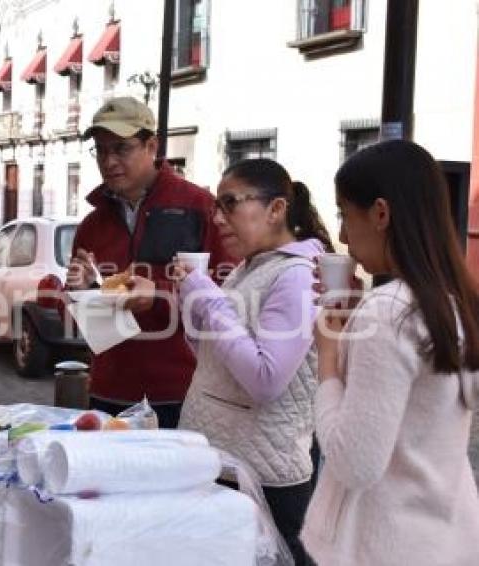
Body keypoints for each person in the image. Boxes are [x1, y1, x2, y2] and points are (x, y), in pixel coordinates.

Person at [300, 140, 479, 566]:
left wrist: (328, 359)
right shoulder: (453, 302)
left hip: (383, 547)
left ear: (380, 213)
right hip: (445, 535)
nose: (341, 234)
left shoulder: (389, 311)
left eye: (345, 213)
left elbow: (352, 463)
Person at [174, 158, 333, 564]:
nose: (219, 218)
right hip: (227, 460)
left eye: (229, 204)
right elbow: (218, 363)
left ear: (276, 208)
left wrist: (208, 299)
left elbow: (264, 379)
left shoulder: (297, 275)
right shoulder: (249, 268)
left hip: (264, 477)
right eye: (217, 205)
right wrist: (194, 307)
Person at [66, 96, 235, 428]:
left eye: (121, 148)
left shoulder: (200, 207)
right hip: (109, 392)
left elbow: (231, 296)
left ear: (152, 146)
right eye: (100, 150)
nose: (109, 161)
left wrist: (157, 295)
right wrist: (79, 291)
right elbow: (75, 323)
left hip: (182, 392)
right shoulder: (91, 225)